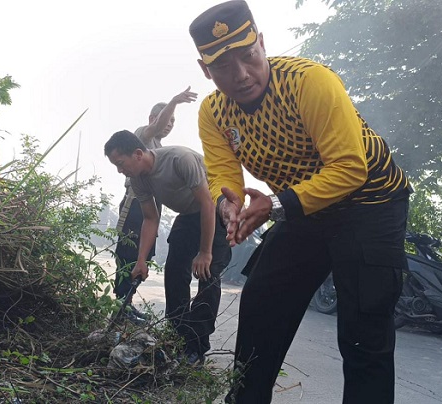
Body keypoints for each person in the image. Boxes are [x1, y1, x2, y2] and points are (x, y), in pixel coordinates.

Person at [189, 1, 411, 403]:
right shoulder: (213, 112)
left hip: (371, 202)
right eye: (222, 66)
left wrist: (273, 206)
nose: (240, 75)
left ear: (261, 42)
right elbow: (223, 173)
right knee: (261, 305)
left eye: (248, 56)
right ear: (206, 70)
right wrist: (231, 204)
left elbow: (348, 169)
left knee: (364, 329)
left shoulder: (309, 82)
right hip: (305, 205)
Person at [105, 130, 231, 365]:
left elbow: (207, 203)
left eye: (121, 164)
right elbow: (150, 218)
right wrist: (141, 260)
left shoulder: (179, 159)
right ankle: (177, 338)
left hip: (213, 212)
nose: (120, 171)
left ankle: (196, 347)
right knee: (174, 272)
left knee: (208, 276)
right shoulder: (138, 179)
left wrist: (205, 252)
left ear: (138, 154)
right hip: (187, 215)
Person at [114, 87, 197, 322]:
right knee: (128, 253)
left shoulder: (160, 149)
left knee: (144, 254)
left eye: (173, 121)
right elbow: (156, 128)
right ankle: (121, 305)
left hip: (152, 207)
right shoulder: (142, 136)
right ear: (153, 118)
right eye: (166, 119)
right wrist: (174, 102)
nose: (169, 124)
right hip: (135, 205)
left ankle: (126, 303)